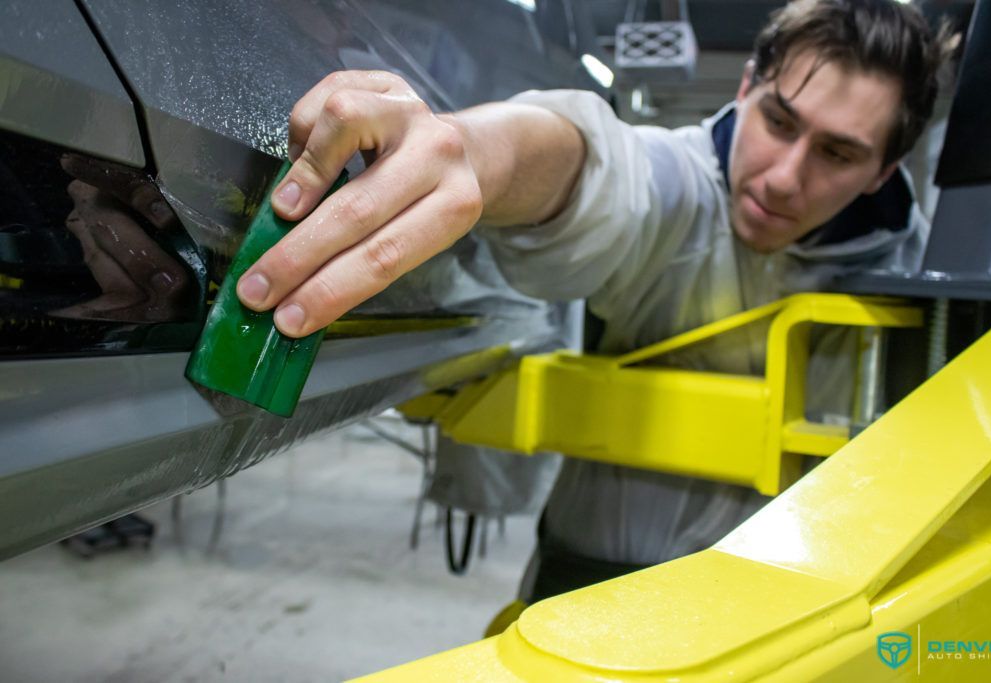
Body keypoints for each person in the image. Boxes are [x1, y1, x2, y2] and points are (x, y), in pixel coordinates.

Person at [235, 0, 950, 602]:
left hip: (795, 609)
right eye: (780, 123)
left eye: (836, 154)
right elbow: (593, 166)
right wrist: (473, 152)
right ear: (745, 89)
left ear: (881, 170)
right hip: (590, 585)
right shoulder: (680, 187)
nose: (785, 178)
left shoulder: (926, 277)